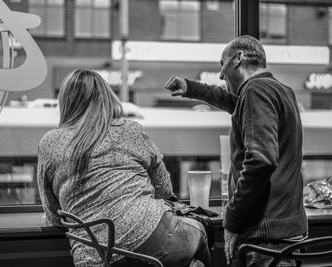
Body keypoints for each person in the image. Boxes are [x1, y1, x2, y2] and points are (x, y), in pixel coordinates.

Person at [37, 69, 210, 267]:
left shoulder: (49, 143)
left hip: (93, 257)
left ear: (65, 102)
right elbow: (164, 190)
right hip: (152, 238)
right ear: (106, 98)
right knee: (200, 230)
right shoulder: (129, 129)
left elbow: (54, 215)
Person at [165, 35, 308, 266]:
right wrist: (191, 88)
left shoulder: (255, 92)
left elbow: (261, 160)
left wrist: (232, 217)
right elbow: (234, 102)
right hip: (289, 229)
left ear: (238, 58)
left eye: (222, 64)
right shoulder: (282, 91)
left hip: (265, 238)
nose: (221, 74)